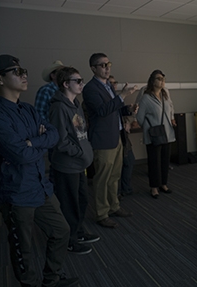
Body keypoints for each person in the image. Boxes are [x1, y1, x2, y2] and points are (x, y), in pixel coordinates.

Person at [0, 54, 78, 287]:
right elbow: (20, 154)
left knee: (62, 231)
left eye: (24, 71)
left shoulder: (28, 109)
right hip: (15, 192)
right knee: (23, 248)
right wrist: (37, 141)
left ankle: (51, 279)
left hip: (41, 186)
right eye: (17, 72)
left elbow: (52, 135)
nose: (25, 75)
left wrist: (33, 142)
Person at [81, 53, 137, 228]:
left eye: (108, 64)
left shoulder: (108, 86)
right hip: (103, 140)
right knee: (102, 179)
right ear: (93, 68)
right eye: (102, 65)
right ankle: (101, 213)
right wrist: (122, 96)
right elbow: (102, 111)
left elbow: (115, 109)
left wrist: (128, 109)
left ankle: (114, 206)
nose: (107, 68)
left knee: (114, 177)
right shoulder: (90, 88)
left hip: (116, 137)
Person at [49, 67, 100, 255]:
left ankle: (78, 231)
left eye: (81, 80)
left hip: (79, 164)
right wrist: (80, 152)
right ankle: (69, 241)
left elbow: (80, 133)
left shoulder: (75, 103)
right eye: (77, 81)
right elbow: (60, 142)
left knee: (81, 200)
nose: (81, 84)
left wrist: (85, 151)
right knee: (69, 204)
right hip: (67, 165)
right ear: (65, 84)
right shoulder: (59, 107)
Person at [136, 70, 176, 199]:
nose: (162, 81)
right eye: (159, 78)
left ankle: (163, 184)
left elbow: (170, 110)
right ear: (152, 81)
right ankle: (154, 187)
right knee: (154, 162)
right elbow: (139, 117)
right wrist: (149, 126)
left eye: (163, 78)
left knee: (165, 160)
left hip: (167, 133)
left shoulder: (165, 95)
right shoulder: (146, 98)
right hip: (153, 134)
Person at [108, 75, 136, 199]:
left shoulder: (116, 98)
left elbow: (119, 114)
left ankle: (125, 189)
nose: (114, 85)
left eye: (115, 82)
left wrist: (129, 112)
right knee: (114, 168)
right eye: (111, 83)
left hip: (123, 136)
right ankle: (115, 193)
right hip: (110, 137)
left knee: (129, 161)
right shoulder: (104, 98)